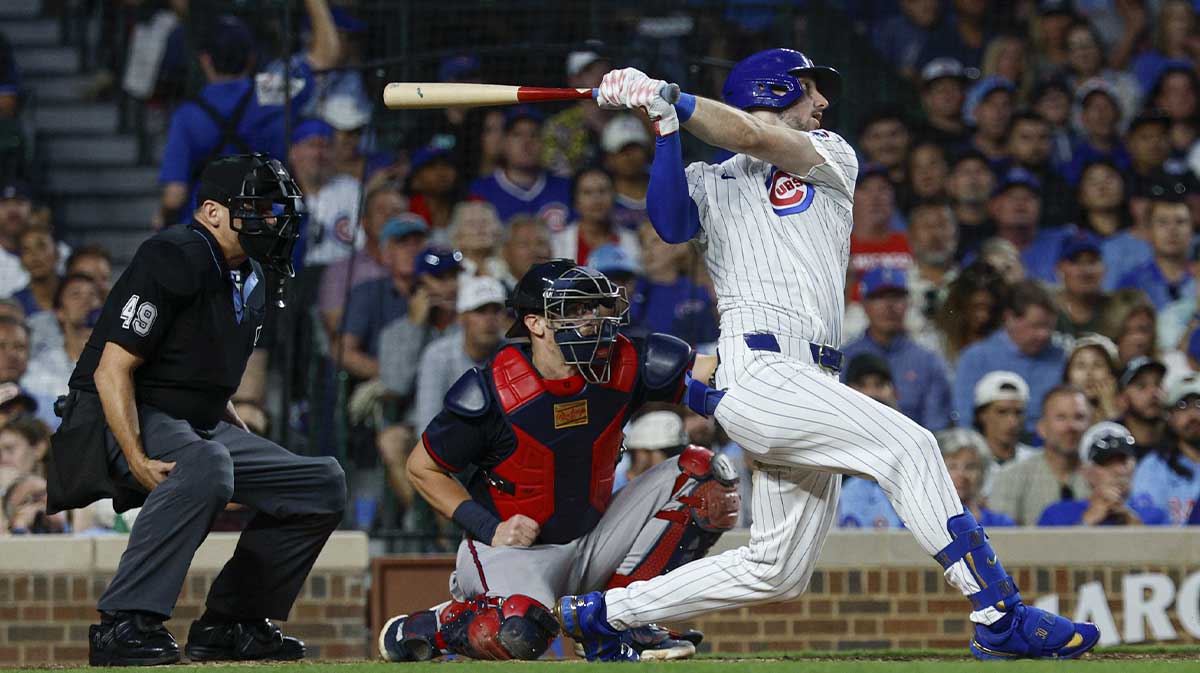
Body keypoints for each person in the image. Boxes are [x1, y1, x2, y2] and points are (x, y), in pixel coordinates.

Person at [557, 50, 1100, 663]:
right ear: (773, 87)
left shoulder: (831, 155)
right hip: (760, 371)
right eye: (810, 90)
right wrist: (662, 125)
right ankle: (999, 611)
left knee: (776, 570)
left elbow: (753, 132)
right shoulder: (708, 180)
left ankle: (604, 614)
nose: (822, 104)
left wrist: (672, 98)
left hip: (809, 378)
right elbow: (671, 224)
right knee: (911, 447)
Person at [48, 154, 345, 665]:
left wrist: (241, 433)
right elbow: (110, 369)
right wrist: (137, 458)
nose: (271, 221)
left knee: (320, 484)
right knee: (207, 463)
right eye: (256, 209)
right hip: (116, 415)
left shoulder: (251, 275)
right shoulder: (174, 253)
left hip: (194, 419)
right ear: (211, 212)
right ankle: (124, 624)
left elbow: (200, 372)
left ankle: (232, 624)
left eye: (275, 210)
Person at [377, 261, 739, 662]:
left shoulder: (624, 360)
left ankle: (620, 622)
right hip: (514, 551)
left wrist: (763, 349)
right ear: (535, 323)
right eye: (575, 310)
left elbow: (711, 371)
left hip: (594, 534)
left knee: (708, 480)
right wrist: (489, 528)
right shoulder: (494, 390)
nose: (592, 319)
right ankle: (432, 627)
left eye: (595, 308)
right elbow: (421, 467)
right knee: (520, 633)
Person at [157, 2, 338, 227]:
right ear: (251, 59)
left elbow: (174, 195)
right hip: (268, 227)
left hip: (212, 233)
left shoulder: (187, 114)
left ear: (205, 60)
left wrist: (161, 218)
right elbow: (327, 55)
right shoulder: (269, 91)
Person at [841, 267, 952, 430]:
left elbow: (936, 426)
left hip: (914, 449)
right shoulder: (844, 358)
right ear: (864, 304)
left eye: (896, 297)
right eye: (879, 297)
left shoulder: (928, 361)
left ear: (908, 303)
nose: (889, 306)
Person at [954, 279, 1067, 433]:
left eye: (1050, 327)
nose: (1044, 334)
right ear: (1010, 318)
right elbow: (965, 420)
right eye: (1036, 326)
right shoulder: (975, 358)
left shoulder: (1060, 358)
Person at [988, 386, 1092, 525]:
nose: (1071, 427)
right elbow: (1000, 538)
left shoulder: (1101, 475)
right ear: (1042, 427)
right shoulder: (1011, 476)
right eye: (1061, 418)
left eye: (1079, 417)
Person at [1039, 422, 1167, 526]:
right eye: (1107, 463)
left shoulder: (1154, 517)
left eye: (1124, 462)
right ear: (1086, 473)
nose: (1119, 471)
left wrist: (1136, 530)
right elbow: (1042, 557)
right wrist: (1085, 523)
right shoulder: (1057, 515)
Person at [469, 106, 571, 232]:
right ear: (504, 142)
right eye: (517, 134)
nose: (526, 142)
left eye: (534, 135)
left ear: (543, 142)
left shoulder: (566, 187)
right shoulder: (481, 190)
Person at [835, 354, 903, 529]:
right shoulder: (832, 441)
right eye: (862, 385)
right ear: (847, 390)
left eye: (879, 385)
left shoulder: (907, 444)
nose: (872, 393)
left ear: (893, 392)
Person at [1130, 373, 1200, 525]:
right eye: (1182, 406)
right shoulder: (1153, 467)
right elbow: (1146, 527)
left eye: (1199, 405)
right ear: (1169, 416)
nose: (1193, 415)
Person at [1115, 196, 1194, 310]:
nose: (1172, 229)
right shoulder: (1131, 283)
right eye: (1163, 222)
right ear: (1148, 232)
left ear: (1192, 231)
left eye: (1180, 222)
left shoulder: (1197, 279)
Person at [550, 167, 639, 264]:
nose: (597, 200)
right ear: (575, 202)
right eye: (587, 193)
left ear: (614, 197)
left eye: (602, 191)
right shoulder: (557, 244)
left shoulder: (633, 242)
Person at [939, 427, 1013, 527]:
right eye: (952, 467)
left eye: (970, 467)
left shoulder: (1002, 524)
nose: (961, 474)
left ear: (982, 473)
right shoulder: (920, 526)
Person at [972, 371, 1039, 467]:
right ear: (982, 415)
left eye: (1018, 412)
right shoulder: (968, 463)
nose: (1012, 421)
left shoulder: (1035, 461)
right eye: (1002, 412)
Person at [601, 114, 652, 232]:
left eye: (635, 148)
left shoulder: (667, 186)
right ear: (609, 158)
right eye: (622, 150)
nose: (629, 157)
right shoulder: (601, 196)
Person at [1114, 356, 1167, 457]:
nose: (1154, 392)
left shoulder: (1177, 438)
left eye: (1158, 384)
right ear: (1121, 399)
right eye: (1141, 386)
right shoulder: (1109, 439)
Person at [1063, 334, 1120, 424]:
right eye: (1080, 365)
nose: (1089, 373)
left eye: (1098, 365)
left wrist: (1109, 408)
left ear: (1111, 375)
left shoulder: (1129, 413)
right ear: (1068, 375)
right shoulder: (1057, 415)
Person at [917, 58, 969, 147]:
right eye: (941, 90)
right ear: (926, 97)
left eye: (954, 88)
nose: (948, 95)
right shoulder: (917, 139)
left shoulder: (976, 134)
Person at [0, 178, 33, 298]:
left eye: (19, 202)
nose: (12, 210)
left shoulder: (58, 252)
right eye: (4, 203)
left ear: (31, 208)